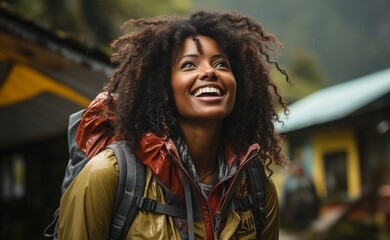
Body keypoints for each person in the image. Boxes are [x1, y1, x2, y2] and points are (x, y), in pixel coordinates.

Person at [58, 10, 290, 240]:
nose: (209, 71)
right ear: (162, 89)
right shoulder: (108, 176)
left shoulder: (256, 188)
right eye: (189, 65)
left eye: (221, 64)